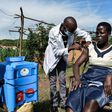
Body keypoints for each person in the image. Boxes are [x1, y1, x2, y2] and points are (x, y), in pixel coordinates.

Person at [43, 16, 92, 112]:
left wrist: (88, 41)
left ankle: (64, 102)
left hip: (62, 58)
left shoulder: (72, 29)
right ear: (64, 27)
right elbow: (56, 52)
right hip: (52, 58)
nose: (73, 33)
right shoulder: (53, 32)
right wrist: (71, 47)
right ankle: (54, 104)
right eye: (71, 31)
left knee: (62, 80)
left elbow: (86, 34)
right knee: (53, 82)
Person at [65, 22, 112, 112]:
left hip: (102, 82)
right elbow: (76, 64)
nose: (99, 35)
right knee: (70, 106)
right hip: (87, 79)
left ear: (109, 34)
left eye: (102, 33)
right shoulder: (90, 48)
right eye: (97, 33)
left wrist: (110, 76)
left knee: (88, 109)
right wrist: (77, 78)